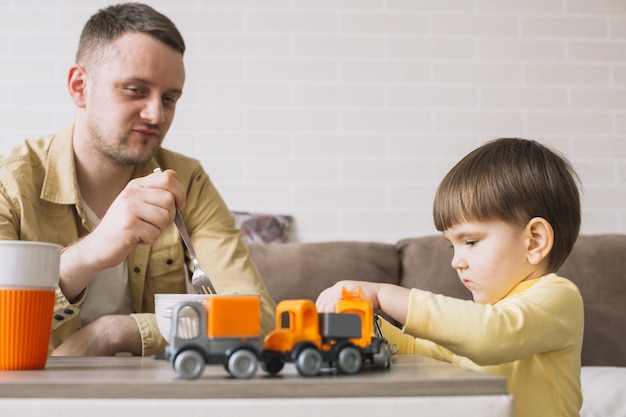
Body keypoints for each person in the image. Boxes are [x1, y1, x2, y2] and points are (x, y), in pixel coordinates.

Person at [0, 2, 276, 357]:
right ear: (80, 87)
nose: (156, 114)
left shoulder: (187, 181)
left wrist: (119, 331)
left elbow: (259, 318)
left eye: (170, 98)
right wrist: (90, 252)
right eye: (135, 90)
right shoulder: (11, 185)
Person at [316, 138, 584, 417]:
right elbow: (419, 351)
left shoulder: (558, 297)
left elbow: (490, 336)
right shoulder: (481, 317)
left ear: (534, 242)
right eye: (451, 246)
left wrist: (384, 294)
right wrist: (366, 323)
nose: (456, 262)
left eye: (470, 242)